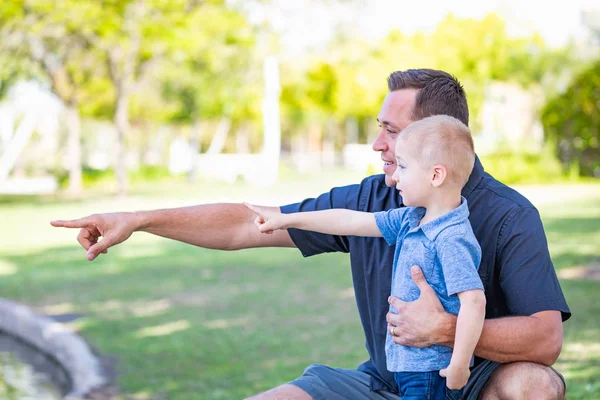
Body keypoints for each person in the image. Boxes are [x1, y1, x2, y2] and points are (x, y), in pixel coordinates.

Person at [51, 68, 570, 400]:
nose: (377, 145)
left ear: (433, 141)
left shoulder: (507, 215)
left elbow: (545, 339)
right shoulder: (379, 200)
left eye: (391, 132)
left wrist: (444, 329)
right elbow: (245, 222)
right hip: (383, 382)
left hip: (468, 383)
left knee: (533, 386)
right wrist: (140, 220)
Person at [245, 115, 486, 400]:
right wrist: (288, 219)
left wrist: (459, 364)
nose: (395, 176)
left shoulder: (450, 237)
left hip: (431, 375)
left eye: (404, 167)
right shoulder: (411, 219)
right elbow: (350, 221)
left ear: (436, 175)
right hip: (410, 371)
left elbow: (474, 301)